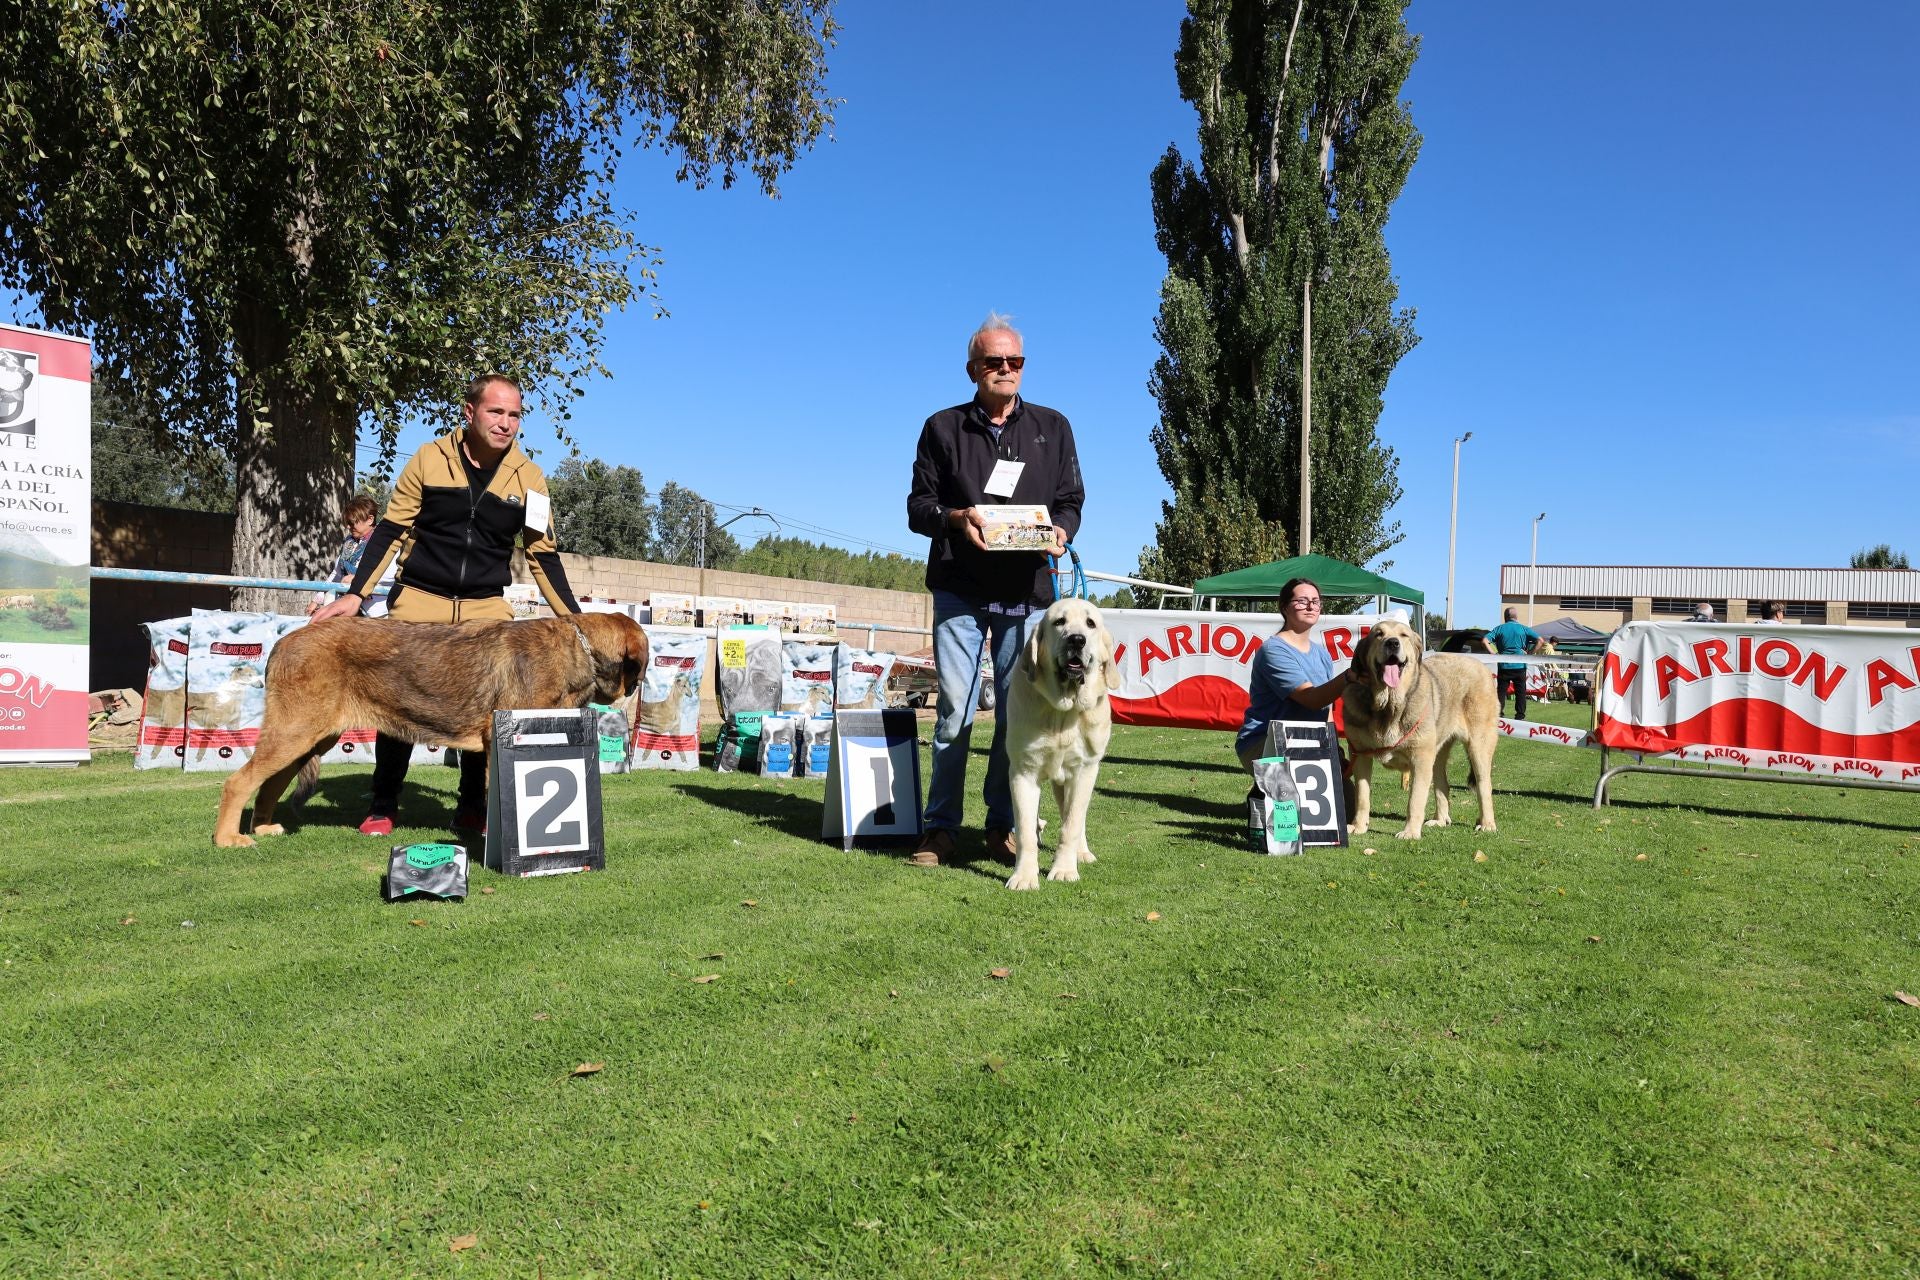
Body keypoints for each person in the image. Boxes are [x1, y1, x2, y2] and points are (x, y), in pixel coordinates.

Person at [310, 374, 581, 836]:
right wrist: (355, 596)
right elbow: (391, 531)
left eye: (514, 415)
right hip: (419, 601)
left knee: (490, 711)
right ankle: (383, 801)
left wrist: (575, 620)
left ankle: (472, 806)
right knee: (396, 703)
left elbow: (543, 553)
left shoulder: (530, 477)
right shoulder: (429, 458)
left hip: (485, 611)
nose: (506, 423)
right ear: (469, 411)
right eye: (496, 412)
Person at [905, 313, 1084, 867]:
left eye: (1014, 361)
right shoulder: (942, 427)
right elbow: (918, 509)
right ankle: (939, 830)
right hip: (960, 587)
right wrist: (957, 518)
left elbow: (1070, 501)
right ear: (973, 369)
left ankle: (1003, 827)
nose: (1005, 370)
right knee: (955, 711)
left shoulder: (1053, 427)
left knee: (1017, 717)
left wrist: (1060, 531)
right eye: (993, 362)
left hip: (1028, 593)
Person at [1236, 578, 1352, 772]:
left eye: (1315, 601)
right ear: (1284, 607)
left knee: (1347, 802)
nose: (1310, 606)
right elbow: (1311, 699)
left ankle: (1267, 795)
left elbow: (1326, 711)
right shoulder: (1273, 650)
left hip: (1310, 742)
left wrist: (1335, 751)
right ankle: (1265, 794)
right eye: (1302, 601)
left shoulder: (1322, 654)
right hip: (1264, 741)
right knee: (1293, 801)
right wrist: (1349, 676)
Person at [308, 495, 378, 616]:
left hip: (374, 612)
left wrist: (358, 578)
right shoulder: (349, 542)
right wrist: (317, 599)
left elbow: (388, 576)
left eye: (352, 522)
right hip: (348, 607)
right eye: (347, 522)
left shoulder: (382, 543)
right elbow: (336, 574)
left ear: (370, 519)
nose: (348, 526)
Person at [1485, 607, 1541, 719]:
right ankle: (1520, 715)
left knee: (1501, 691)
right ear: (1516, 617)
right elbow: (1541, 640)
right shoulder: (1524, 629)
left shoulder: (1499, 629)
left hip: (1504, 665)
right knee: (1520, 692)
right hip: (1520, 665)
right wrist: (1530, 654)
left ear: (1505, 617)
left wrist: (1493, 654)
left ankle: (1499, 714)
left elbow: (1484, 640)